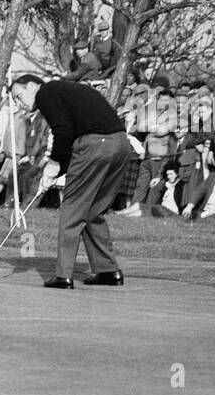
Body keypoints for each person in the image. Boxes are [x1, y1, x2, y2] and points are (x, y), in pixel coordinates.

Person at [11, 75, 132, 289]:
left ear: (31, 85)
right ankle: (108, 270)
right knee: (92, 210)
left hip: (95, 145)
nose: (19, 103)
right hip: (120, 144)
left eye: (18, 96)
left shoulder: (45, 92)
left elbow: (63, 131)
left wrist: (54, 164)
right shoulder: (65, 91)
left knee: (72, 209)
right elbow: (70, 133)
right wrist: (55, 174)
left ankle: (63, 275)